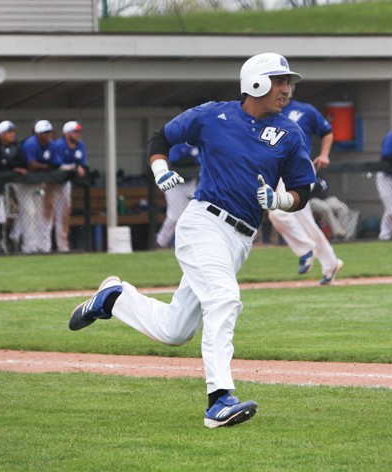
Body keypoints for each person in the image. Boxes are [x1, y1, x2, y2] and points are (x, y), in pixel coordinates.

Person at [69, 52, 316, 428]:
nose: (286, 88)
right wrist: (159, 168)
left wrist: (281, 200)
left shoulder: (290, 132)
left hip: (240, 240)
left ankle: (115, 298)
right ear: (255, 83)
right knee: (224, 298)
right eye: (278, 80)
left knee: (175, 329)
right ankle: (219, 399)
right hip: (204, 224)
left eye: (288, 82)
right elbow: (161, 137)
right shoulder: (213, 115)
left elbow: (302, 189)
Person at [268, 94, 344, 284]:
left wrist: (325, 154)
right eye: (278, 84)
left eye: (285, 84)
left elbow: (327, 131)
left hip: (299, 168)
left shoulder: (306, 110)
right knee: (305, 221)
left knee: (278, 212)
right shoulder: (269, 111)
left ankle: (306, 249)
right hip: (279, 172)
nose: (282, 90)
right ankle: (331, 263)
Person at [17, 120, 60, 253]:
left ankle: (37, 246)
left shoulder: (52, 144)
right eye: (45, 133)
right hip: (23, 182)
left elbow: (56, 163)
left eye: (49, 132)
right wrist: (45, 166)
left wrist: (43, 166)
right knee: (29, 213)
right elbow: (31, 165)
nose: (48, 135)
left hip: (38, 183)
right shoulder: (30, 143)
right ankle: (28, 247)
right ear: (38, 134)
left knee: (38, 213)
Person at [0, 120, 26, 253]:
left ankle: (1, 245)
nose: (12, 134)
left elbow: (21, 163)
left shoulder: (15, 146)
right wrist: (11, 166)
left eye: (13, 131)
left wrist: (9, 165)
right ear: (1, 134)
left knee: (5, 215)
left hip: (4, 187)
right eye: (9, 132)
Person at [155, 142, 200, 248]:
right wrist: (191, 160)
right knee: (174, 216)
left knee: (190, 214)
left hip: (189, 183)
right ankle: (160, 242)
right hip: (172, 182)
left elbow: (200, 161)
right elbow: (174, 160)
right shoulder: (178, 143)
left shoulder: (198, 145)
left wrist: (189, 160)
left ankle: (187, 243)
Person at [52, 121, 88, 252]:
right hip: (50, 184)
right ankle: (42, 247)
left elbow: (82, 164)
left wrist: (76, 167)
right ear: (67, 134)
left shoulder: (80, 145)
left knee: (64, 215)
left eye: (79, 132)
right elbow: (55, 165)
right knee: (46, 216)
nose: (78, 135)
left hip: (65, 184)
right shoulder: (58, 145)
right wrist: (72, 167)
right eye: (75, 132)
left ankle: (63, 246)